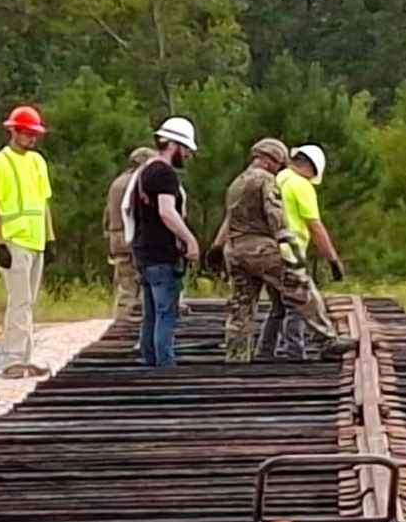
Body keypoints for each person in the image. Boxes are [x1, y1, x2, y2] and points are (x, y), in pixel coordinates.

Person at [216, 138, 355, 362]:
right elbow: (275, 217)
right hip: (262, 250)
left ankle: (236, 356)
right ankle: (327, 339)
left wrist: (217, 247)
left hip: (235, 249)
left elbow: (229, 220)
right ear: (272, 160)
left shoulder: (236, 183)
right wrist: (293, 254)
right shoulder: (266, 180)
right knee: (301, 288)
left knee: (241, 306)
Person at [0, 105, 56, 380]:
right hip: (14, 241)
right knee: (20, 301)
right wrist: (0, 243)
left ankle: (26, 359)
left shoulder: (38, 162)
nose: (32, 138)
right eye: (27, 133)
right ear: (13, 131)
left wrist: (50, 238)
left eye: (34, 133)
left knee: (29, 301)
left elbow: (44, 202)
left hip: (35, 239)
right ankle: (13, 359)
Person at [256, 144, 346, 360]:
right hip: (290, 253)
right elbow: (315, 226)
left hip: (267, 251)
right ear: (311, 167)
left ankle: (265, 351)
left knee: (278, 306)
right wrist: (332, 259)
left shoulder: (276, 178)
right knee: (298, 304)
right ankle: (294, 352)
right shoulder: (301, 185)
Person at [129, 117, 201, 368]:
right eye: (186, 149)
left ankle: (149, 368)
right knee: (166, 314)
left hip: (144, 253)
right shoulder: (165, 173)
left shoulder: (145, 171)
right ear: (174, 145)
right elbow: (166, 211)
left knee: (150, 316)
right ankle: (165, 370)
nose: (188, 155)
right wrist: (189, 239)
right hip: (161, 255)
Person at [104, 147, 158, 320]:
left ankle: (119, 321)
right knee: (141, 285)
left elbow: (107, 213)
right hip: (133, 236)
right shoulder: (140, 181)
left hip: (116, 237)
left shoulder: (117, 183)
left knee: (124, 285)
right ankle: (133, 327)